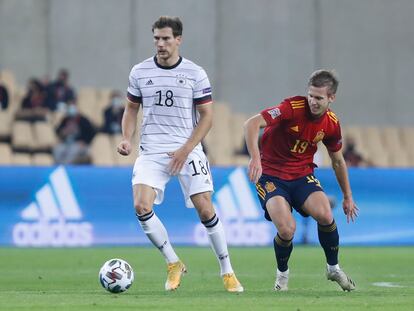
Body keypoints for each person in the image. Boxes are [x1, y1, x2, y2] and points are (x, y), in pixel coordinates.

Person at [117, 16, 243, 292]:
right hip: (151, 151)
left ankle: (227, 271)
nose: (160, 44)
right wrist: (127, 138)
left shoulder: (195, 73)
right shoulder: (139, 72)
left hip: (187, 149)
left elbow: (207, 117)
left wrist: (186, 150)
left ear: (178, 40)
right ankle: (173, 262)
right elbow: (131, 109)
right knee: (141, 205)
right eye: (156, 39)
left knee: (205, 208)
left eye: (165, 38)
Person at [244, 69, 358, 292]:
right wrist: (255, 159)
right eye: (311, 96)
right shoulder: (291, 108)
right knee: (287, 230)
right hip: (271, 176)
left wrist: (348, 196)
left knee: (325, 214)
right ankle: (282, 274)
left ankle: (333, 268)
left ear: (331, 98)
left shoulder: (332, 123)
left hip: (302, 175)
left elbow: (338, 161)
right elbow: (250, 124)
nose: (313, 102)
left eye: (319, 98)